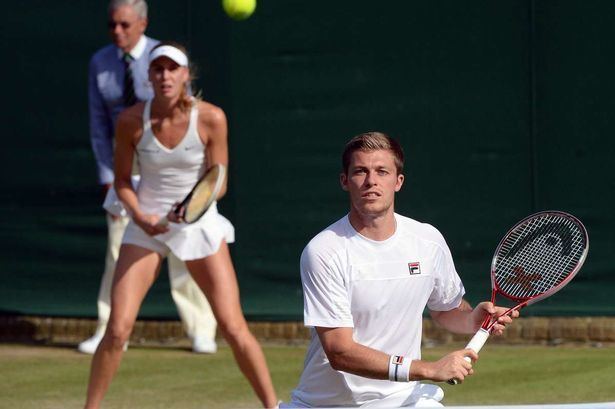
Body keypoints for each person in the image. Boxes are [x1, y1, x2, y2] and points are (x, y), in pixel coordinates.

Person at [83, 42, 278, 409]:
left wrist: (191, 208)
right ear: (149, 76)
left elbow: (218, 180)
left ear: (186, 75)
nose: (165, 75)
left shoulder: (212, 118)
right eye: (158, 69)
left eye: (173, 69)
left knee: (234, 327)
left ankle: (273, 406)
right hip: (146, 224)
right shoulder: (129, 121)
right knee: (118, 329)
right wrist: (141, 216)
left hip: (197, 224)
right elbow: (122, 180)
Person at [283, 132, 518, 408]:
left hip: (404, 400)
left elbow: (445, 310)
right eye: (361, 171)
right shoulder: (324, 251)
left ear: (398, 182)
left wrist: (471, 319)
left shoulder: (428, 241)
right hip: (327, 404)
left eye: (382, 171)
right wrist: (428, 369)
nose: (371, 181)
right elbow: (340, 352)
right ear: (345, 181)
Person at [82, 0, 217, 355]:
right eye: (112, 25)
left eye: (125, 25)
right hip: (125, 167)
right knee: (117, 251)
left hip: (170, 166)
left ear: (142, 23)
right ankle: (110, 330)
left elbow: (185, 116)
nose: (117, 32)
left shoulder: (165, 60)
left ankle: (200, 329)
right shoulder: (100, 62)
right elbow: (99, 125)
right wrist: (110, 177)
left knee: (186, 246)